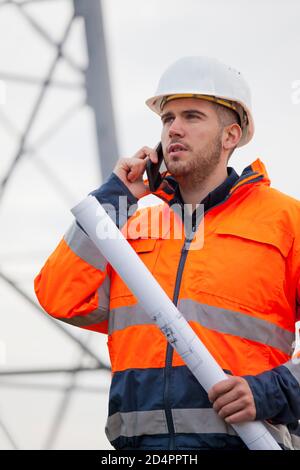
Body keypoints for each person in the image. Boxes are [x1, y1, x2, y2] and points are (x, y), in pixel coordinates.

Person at [34, 56, 300, 450]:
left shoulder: (285, 221)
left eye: (192, 116)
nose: (173, 129)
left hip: (247, 442)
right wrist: (114, 199)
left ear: (231, 135)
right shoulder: (131, 228)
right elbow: (60, 296)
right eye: (167, 118)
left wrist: (270, 392)